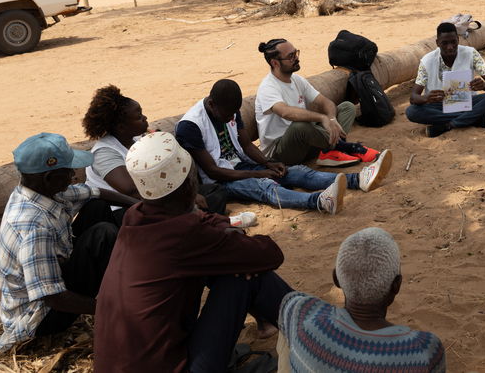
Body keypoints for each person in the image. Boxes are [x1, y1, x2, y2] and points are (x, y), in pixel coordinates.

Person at [94, 132, 293, 373]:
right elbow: (270, 254)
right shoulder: (186, 234)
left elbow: (202, 219)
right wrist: (234, 242)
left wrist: (224, 233)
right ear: (190, 182)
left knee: (230, 263)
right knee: (243, 275)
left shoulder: (134, 217)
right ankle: (315, 337)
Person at [0, 133, 136, 354]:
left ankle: (121, 284)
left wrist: (139, 205)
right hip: (41, 316)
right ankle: (124, 300)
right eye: (68, 171)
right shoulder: (33, 226)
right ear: (49, 177)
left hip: (55, 278)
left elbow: (95, 192)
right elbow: (53, 298)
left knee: (96, 207)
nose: (73, 176)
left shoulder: (42, 191)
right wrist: (110, 310)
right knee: (104, 235)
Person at [177, 79, 392, 215]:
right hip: (222, 180)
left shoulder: (229, 109)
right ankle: (318, 201)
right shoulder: (191, 125)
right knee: (265, 186)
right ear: (212, 104)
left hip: (243, 164)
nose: (231, 118)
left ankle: (358, 179)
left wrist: (268, 163)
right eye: (226, 115)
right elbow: (213, 171)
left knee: (295, 172)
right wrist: (262, 172)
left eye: (233, 114)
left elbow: (245, 144)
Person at [279, 227, 446, 371]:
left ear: (336, 279)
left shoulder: (300, 314)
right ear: (397, 285)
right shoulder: (423, 349)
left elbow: (289, 302)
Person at [83, 84, 226, 216]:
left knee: (214, 192)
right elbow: (132, 190)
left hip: (156, 198)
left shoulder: (138, 139)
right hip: (125, 209)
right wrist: (181, 198)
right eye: (139, 117)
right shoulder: (104, 152)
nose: (145, 118)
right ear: (121, 127)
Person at [254, 38, 366, 167]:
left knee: (347, 107)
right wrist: (321, 118)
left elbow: (325, 102)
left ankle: (332, 150)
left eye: (296, 53)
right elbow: (285, 112)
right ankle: (339, 147)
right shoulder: (268, 87)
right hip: (282, 152)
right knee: (300, 127)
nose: (296, 58)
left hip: (306, 143)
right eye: (291, 56)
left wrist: (332, 118)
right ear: (275, 63)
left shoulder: (297, 79)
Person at [406, 22, 485, 137]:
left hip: (468, 102)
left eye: (453, 42)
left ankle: (448, 125)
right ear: (437, 43)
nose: (450, 47)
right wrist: (426, 98)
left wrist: (484, 86)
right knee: (412, 111)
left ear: (458, 40)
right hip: (439, 105)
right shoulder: (427, 61)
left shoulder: (471, 53)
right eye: (444, 43)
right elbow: (413, 97)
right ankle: (473, 118)